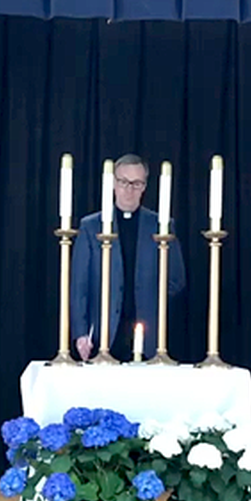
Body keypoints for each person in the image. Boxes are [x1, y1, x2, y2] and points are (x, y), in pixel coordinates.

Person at [71, 154, 186, 361]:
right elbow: (79, 286)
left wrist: (150, 299)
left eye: (136, 183)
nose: (129, 189)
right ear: (113, 183)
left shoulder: (161, 225)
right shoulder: (90, 227)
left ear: (144, 187)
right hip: (103, 335)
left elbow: (176, 279)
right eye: (123, 182)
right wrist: (81, 333)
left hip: (149, 335)